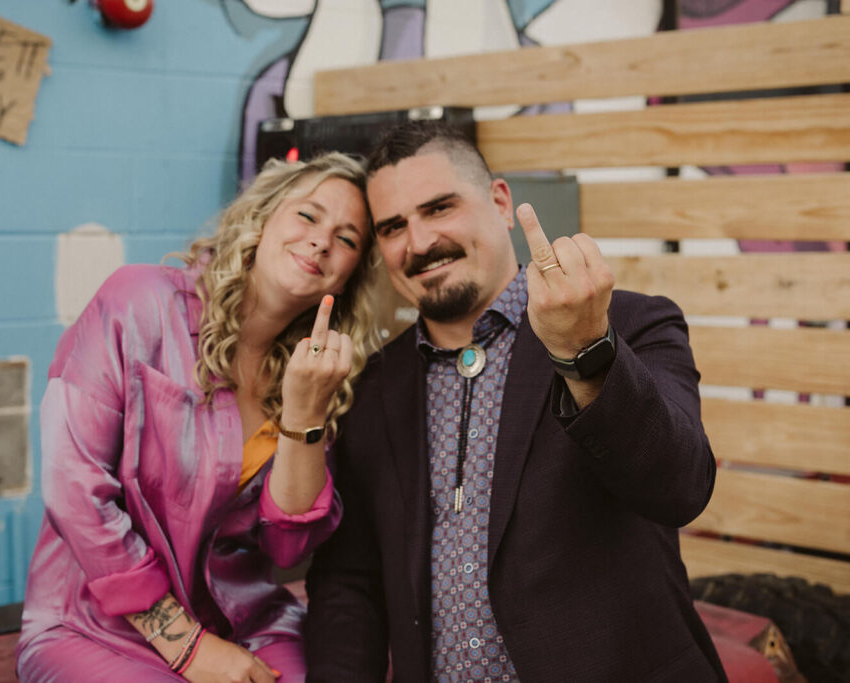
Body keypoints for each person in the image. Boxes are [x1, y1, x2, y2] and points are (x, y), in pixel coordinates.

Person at [304, 122, 726, 682]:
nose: (420, 242)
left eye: (440, 208)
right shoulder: (373, 386)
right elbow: (349, 583)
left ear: (500, 202)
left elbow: (681, 486)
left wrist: (585, 351)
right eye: (393, 226)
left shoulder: (625, 325)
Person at [15, 151, 378, 682]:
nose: (323, 240)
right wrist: (188, 649)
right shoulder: (138, 302)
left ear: (347, 277)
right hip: (94, 625)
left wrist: (304, 411)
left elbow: (286, 546)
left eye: (347, 239)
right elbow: (73, 487)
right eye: (308, 215)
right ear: (263, 217)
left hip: (240, 619)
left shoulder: (315, 371)